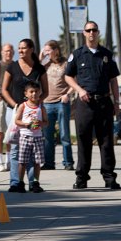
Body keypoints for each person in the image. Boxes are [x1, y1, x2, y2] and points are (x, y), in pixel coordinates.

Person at [64, 21, 120, 190]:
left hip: (103, 102)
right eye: (88, 30)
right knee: (83, 140)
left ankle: (109, 177)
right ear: (84, 33)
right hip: (85, 103)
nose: (91, 33)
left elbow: (113, 80)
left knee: (106, 141)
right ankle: (81, 177)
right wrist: (79, 90)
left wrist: (116, 101)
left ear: (98, 32)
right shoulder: (77, 54)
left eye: (94, 30)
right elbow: (68, 76)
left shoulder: (107, 54)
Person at [1, 39, 48, 192]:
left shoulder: (39, 69)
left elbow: (45, 91)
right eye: (19, 48)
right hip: (14, 111)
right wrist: (15, 105)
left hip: (33, 112)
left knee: (33, 149)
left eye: (23, 48)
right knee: (15, 148)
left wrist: (35, 105)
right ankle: (15, 182)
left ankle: (33, 182)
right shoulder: (12, 67)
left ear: (31, 50)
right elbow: (4, 90)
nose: (20, 51)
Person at [41, 40, 74, 171]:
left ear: (56, 50)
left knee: (64, 134)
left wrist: (68, 95)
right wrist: (41, 56)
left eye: (49, 50)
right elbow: (35, 70)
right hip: (47, 103)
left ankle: (68, 162)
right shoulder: (45, 64)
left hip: (61, 103)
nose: (47, 53)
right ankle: (49, 163)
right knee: (48, 136)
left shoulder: (65, 64)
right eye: (45, 50)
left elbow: (74, 81)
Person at [14, 83, 46, 193]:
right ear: (26, 94)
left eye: (36, 91)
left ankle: (35, 182)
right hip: (25, 136)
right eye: (31, 91)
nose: (34, 94)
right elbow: (16, 120)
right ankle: (20, 182)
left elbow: (46, 122)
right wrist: (26, 124)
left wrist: (40, 123)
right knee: (22, 161)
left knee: (37, 162)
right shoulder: (23, 106)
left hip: (37, 137)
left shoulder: (41, 106)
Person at [0, 43, 14, 171]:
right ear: (1, 52)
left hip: (12, 102)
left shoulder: (16, 66)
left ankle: (9, 161)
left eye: (10, 51)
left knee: (10, 133)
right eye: (6, 51)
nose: (8, 53)